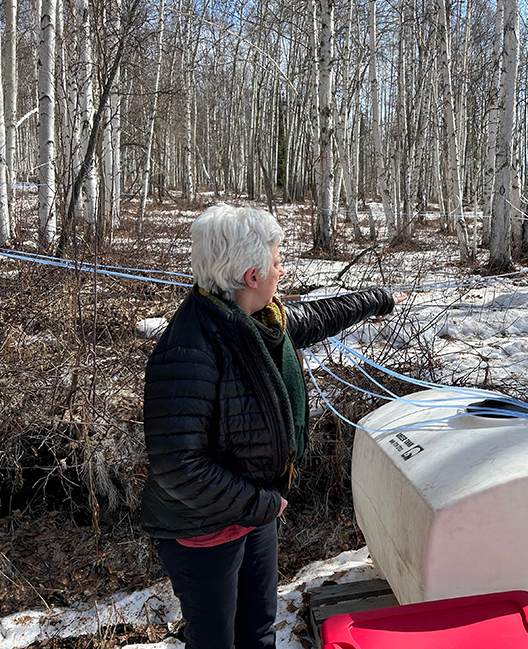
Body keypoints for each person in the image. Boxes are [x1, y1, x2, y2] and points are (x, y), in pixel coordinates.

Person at [140, 204, 402, 649]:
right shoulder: (188, 350)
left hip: (254, 514)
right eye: (277, 262)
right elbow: (179, 466)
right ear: (252, 276)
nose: (282, 271)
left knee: (259, 628)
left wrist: (374, 299)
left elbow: (316, 318)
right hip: (207, 529)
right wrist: (261, 503)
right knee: (215, 641)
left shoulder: (261, 321)